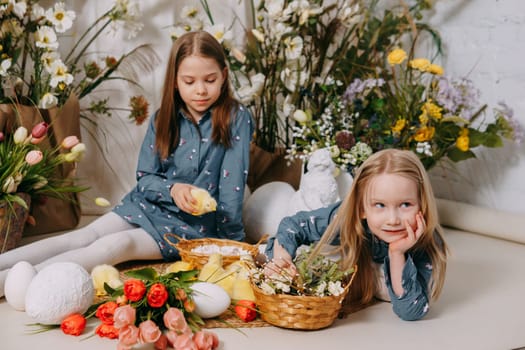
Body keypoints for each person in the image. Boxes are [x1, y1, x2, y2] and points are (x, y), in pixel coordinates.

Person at [0, 30, 254, 297]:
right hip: (145, 204)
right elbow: (145, 179)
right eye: (189, 81)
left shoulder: (236, 118)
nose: (200, 89)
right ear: (175, 82)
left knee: (115, 246)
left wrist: (232, 248)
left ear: (224, 76)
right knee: (82, 237)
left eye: (210, 80)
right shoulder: (162, 118)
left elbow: (231, 191)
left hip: (190, 227)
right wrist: (172, 190)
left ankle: (14, 284)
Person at [264, 149, 448, 321]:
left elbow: (410, 311)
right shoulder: (347, 218)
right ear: (362, 208)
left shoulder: (428, 241)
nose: (393, 220)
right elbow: (294, 225)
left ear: (422, 204)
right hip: (345, 263)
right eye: (380, 205)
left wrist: (397, 253)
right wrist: (283, 260)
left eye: (405, 204)